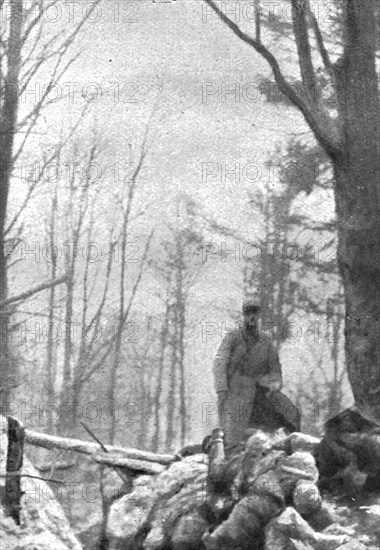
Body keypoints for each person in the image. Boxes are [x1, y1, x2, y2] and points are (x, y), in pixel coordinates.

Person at [213, 297, 283, 452]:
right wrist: (221, 388)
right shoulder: (233, 338)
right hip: (234, 393)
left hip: (258, 394)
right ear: (243, 315)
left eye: (255, 313)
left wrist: (275, 384)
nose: (252, 317)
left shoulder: (265, 341)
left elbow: (275, 367)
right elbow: (220, 362)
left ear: (259, 316)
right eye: (248, 313)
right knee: (232, 436)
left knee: (259, 437)